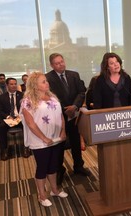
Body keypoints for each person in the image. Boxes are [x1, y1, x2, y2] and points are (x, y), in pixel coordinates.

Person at [20, 72, 68, 207]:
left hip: (56, 138)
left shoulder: (52, 97)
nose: (47, 83)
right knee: (42, 167)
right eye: (43, 81)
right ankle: (42, 195)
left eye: (46, 81)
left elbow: (60, 115)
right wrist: (44, 138)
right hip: (40, 141)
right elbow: (30, 123)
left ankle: (54, 190)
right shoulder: (27, 101)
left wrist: (63, 131)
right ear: (34, 85)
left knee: (53, 166)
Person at [46, 53, 90, 185]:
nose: (61, 64)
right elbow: (49, 98)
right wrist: (66, 109)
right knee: (59, 145)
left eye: (62, 61)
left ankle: (78, 166)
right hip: (58, 117)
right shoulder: (48, 78)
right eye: (57, 63)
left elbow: (82, 92)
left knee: (76, 141)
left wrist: (75, 106)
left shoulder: (74, 75)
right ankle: (60, 170)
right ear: (52, 65)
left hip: (74, 115)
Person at [0, 77, 31, 160]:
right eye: (11, 84)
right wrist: (8, 116)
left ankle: (26, 147)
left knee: (27, 124)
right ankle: (4, 150)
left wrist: (21, 115)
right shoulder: (1, 97)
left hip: (20, 117)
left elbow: (27, 108)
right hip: (8, 118)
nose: (14, 86)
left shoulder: (22, 95)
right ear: (7, 85)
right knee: (1, 127)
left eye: (15, 84)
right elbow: (0, 111)